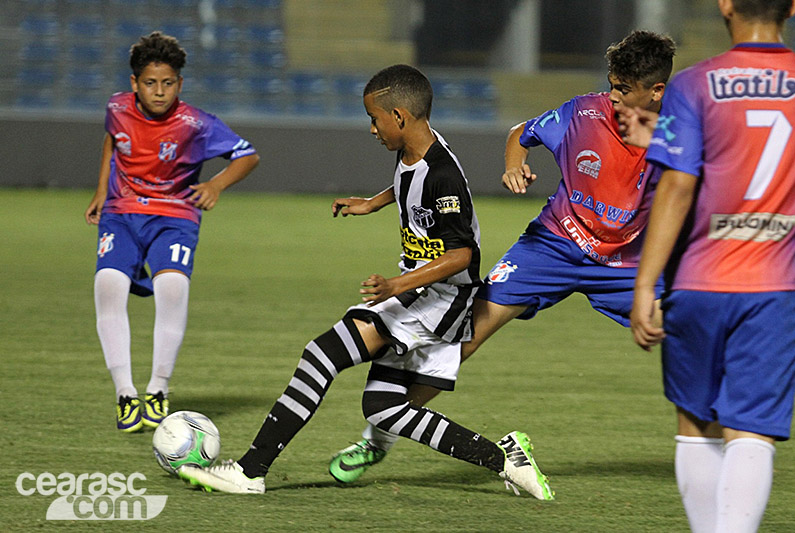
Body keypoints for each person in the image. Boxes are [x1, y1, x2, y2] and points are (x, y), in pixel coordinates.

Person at [177, 64, 554, 499]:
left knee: (321, 355)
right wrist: (372, 203)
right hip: (422, 293)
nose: (371, 128)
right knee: (384, 408)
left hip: (437, 298)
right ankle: (506, 460)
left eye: (375, 118)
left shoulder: (443, 174)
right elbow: (407, 185)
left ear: (399, 117)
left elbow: (462, 255)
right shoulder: (414, 149)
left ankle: (249, 470)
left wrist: (397, 285)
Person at [328, 30, 677, 484]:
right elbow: (521, 133)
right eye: (610, 84)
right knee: (465, 337)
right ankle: (378, 437)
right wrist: (514, 164)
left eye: (622, 90)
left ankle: (722, 444)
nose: (611, 97)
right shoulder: (583, 112)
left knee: (692, 327)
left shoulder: (680, 134)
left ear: (657, 91)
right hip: (552, 245)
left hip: (626, 262)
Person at [630, 1, 795, 531]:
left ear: (725, 4)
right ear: (792, 6)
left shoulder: (695, 83)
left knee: (695, 422)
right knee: (751, 429)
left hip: (699, 281)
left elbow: (677, 188)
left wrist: (644, 285)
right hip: (777, 286)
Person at [84, 31, 259, 432]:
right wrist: (100, 191)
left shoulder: (196, 124)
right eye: (150, 83)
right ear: (134, 84)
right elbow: (113, 141)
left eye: (167, 83)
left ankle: (158, 389)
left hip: (175, 215)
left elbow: (248, 156)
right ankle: (125, 394)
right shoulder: (116, 107)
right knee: (108, 285)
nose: (159, 92)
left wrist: (215, 184)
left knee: (172, 289)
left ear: (179, 84)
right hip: (121, 213)